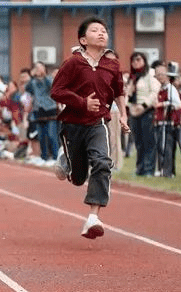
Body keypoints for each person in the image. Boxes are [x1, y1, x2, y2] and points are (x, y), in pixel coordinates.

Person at [50, 17, 129, 239]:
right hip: (73, 124)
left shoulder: (112, 65)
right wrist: (82, 102)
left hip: (98, 122)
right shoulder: (73, 63)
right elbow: (56, 91)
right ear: (83, 40)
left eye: (104, 30)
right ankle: (66, 158)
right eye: (95, 30)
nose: (101, 33)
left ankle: (94, 216)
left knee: (103, 162)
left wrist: (123, 115)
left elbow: (118, 92)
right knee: (77, 178)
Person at [125, 52, 159, 176]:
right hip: (134, 112)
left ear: (144, 60)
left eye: (138, 59)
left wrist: (144, 105)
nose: (136, 62)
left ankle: (149, 170)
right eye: (133, 60)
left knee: (148, 142)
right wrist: (129, 106)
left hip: (147, 111)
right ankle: (140, 169)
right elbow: (127, 95)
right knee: (138, 142)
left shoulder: (150, 74)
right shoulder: (132, 77)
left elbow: (154, 92)